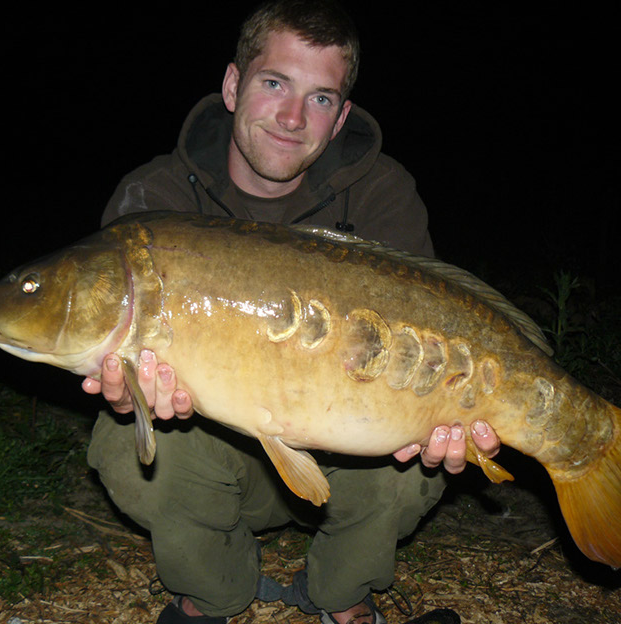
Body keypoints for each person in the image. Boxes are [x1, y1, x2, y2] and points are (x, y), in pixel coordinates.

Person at [83, 2, 501, 623]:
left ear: (340, 119)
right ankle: (211, 592)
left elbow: (434, 329)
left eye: (321, 98)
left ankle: (344, 592)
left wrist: (454, 412)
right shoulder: (155, 201)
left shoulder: (383, 194)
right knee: (124, 442)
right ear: (232, 85)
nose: (291, 116)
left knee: (423, 449)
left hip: (350, 456)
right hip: (215, 458)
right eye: (274, 83)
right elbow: (126, 369)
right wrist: (129, 397)